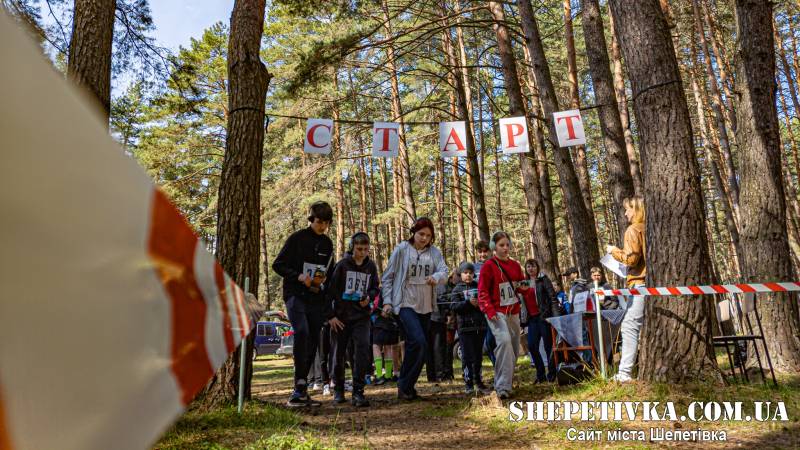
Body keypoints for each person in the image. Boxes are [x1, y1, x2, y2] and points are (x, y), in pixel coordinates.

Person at [272, 201, 336, 407]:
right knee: (301, 331)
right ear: (311, 220)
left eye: (326, 223)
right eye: (318, 222)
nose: (322, 226)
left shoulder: (327, 244)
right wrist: (300, 277)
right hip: (295, 294)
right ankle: (298, 385)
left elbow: (329, 270)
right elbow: (278, 265)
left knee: (313, 339)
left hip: (316, 298)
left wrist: (322, 281)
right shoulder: (297, 239)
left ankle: (302, 388)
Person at [381, 217, 449, 401]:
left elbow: (445, 271)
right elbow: (388, 277)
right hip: (404, 303)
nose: (424, 238)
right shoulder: (402, 250)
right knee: (418, 341)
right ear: (413, 232)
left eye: (428, 235)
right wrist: (387, 301)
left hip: (426, 306)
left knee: (418, 346)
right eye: (421, 234)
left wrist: (436, 277)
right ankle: (404, 385)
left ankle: (406, 387)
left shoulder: (434, 252)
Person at [326, 232, 379, 407]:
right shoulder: (342, 265)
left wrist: (369, 298)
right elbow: (330, 292)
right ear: (352, 247)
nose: (362, 252)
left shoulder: (371, 266)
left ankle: (358, 391)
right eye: (359, 249)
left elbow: (374, 288)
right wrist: (331, 316)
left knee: (362, 350)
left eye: (365, 249)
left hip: (362, 317)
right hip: (341, 318)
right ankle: (339, 389)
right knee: (338, 354)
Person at [477, 231, 530, 399]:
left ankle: (505, 382)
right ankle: (502, 388)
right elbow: (482, 292)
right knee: (505, 342)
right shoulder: (489, 266)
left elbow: (520, 285)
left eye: (507, 244)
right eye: (501, 245)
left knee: (513, 348)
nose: (505, 248)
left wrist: (525, 288)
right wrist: (489, 310)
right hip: (496, 312)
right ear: (494, 247)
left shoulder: (515, 265)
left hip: (513, 311)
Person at [607, 196, 646, 382]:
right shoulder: (648, 229)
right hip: (647, 284)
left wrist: (613, 251)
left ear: (637, 209)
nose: (625, 213)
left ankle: (624, 373)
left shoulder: (633, 230)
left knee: (629, 326)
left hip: (639, 284)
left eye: (628, 209)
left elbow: (631, 259)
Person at [451, 262, 492, 395]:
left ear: (474, 274)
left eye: (470, 273)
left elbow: (486, 302)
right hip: (464, 328)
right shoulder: (457, 289)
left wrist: (480, 304)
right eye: (465, 273)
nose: (468, 275)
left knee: (478, 356)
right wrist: (468, 303)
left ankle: (478, 382)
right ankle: (468, 383)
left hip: (479, 326)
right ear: (461, 274)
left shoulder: (478, 286)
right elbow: (454, 307)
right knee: (467, 357)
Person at [521, 259, 560, 383]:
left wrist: (555, 318)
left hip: (544, 318)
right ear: (526, 269)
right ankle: (540, 374)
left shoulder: (544, 280)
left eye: (533, 266)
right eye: (528, 266)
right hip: (532, 319)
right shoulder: (524, 283)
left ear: (537, 267)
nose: (531, 269)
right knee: (532, 346)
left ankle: (552, 374)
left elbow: (553, 298)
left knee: (549, 346)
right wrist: (522, 321)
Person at [371, 293, 399, 385]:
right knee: (388, 346)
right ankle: (387, 376)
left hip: (381, 322)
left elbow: (378, 308)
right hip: (393, 321)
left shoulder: (384, 290)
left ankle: (379, 376)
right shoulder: (396, 289)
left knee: (376, 346)